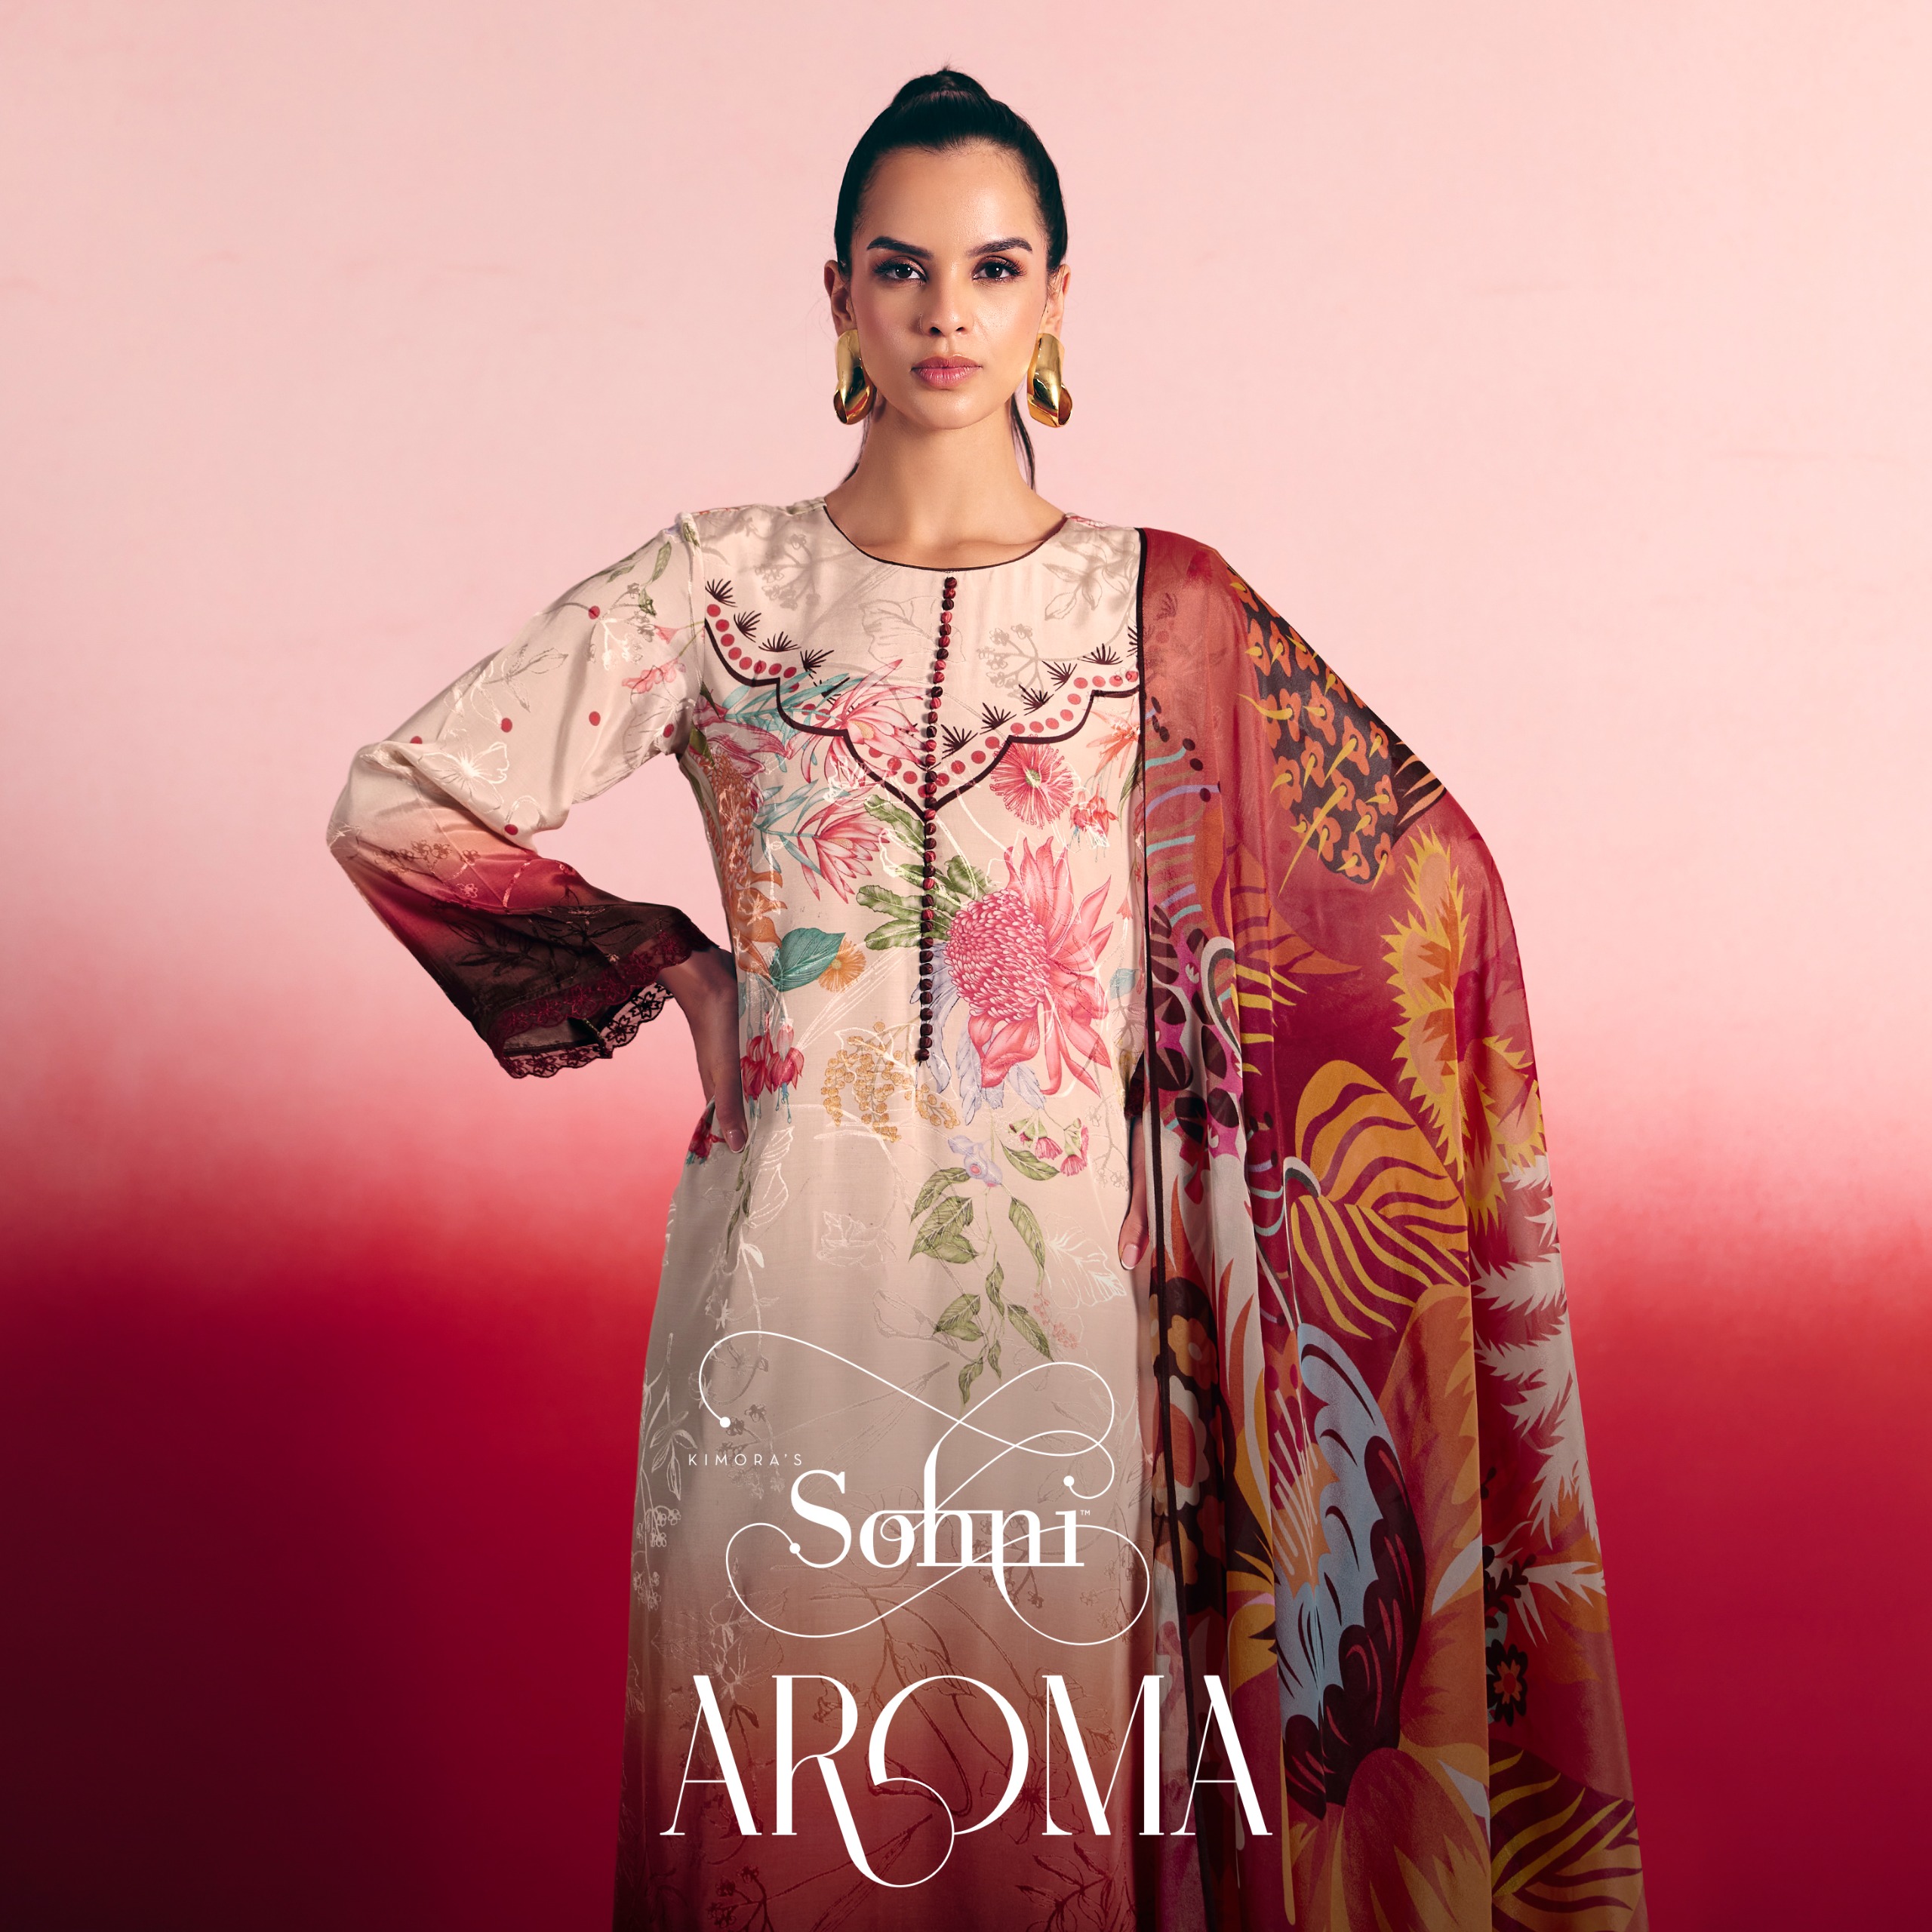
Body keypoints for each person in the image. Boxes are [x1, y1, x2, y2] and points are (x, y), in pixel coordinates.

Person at [327, 68, 1645, 1932]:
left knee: (1052, 1818)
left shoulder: (1160, 612)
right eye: (900, 267)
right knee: (782, 1807)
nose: (945, 310)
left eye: (991, 266)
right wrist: (673, 969)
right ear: (838, 299)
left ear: (1054, 302)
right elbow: (399, 801)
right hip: (786, 1315)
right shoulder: (716, 590)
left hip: (1079, 1324)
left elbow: (1417, 897)